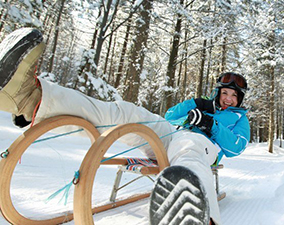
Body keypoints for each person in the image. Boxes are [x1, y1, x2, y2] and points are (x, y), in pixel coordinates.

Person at [0, 28, 250, 225]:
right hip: (171, 136)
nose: (228, 98)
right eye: (225, 93)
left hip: (203, 146)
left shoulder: (240, 119)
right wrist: (194, 106)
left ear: (239, 100)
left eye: (233, 96)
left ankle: (196, 213)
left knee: (190, 147)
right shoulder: (202, 103)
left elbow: (237, 148)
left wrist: (210, 125)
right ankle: (30, 99)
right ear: (218, 93)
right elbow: (170, 116)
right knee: (126, 112)